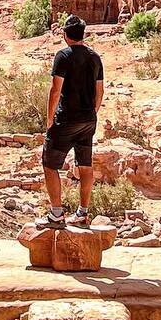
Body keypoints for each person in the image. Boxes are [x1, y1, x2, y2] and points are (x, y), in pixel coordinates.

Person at [38, 14, 104, 229]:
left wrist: (49, 120)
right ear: (82, 35)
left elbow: (55, 90)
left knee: (49, 165)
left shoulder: (63, 56)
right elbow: (100, 91)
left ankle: (57, 214)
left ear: (65, 35)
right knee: (85, 166)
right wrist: (92, 112)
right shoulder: (95, 57)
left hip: (66, 119)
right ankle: (83, 214)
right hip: (88, 120)